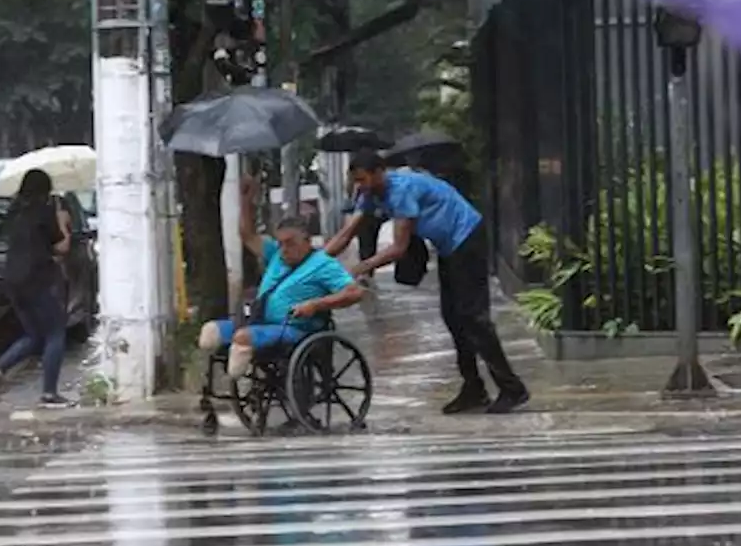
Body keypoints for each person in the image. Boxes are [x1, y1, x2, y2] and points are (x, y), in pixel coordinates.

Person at [324, 151, 529, 414]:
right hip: (448, 246)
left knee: (474, 318)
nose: (359, 186)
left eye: (363, 179)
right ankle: (473, 388)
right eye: (356, 181)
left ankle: (512, 388)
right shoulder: (370, 194)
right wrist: (315, 262)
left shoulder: (401, 191)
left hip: (466, 239)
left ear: (379, 172)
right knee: (453, 317)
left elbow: (398, 248)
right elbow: (347, 233)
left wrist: (360, 267)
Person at [197, 176, 365, 381]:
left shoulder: (323, 264)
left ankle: (235, 380)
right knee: (210, 333)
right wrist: (246, 200)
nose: (285, 248)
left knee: (242, 338)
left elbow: (355, 292)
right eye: (282, 243)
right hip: (262, 321)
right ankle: (223, 384)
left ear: (307, 241)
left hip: (296, 329)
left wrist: (316, 304)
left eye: (290, 243)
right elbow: (247, 234)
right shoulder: (276, 254)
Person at [0, 168, 74, 408]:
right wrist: (64, 224)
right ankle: (50, 393)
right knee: (56, 332)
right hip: (38, 278)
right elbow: (61, 247)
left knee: (34, 335)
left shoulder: (14, 211)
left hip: (13, 280)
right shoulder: (43, 212)